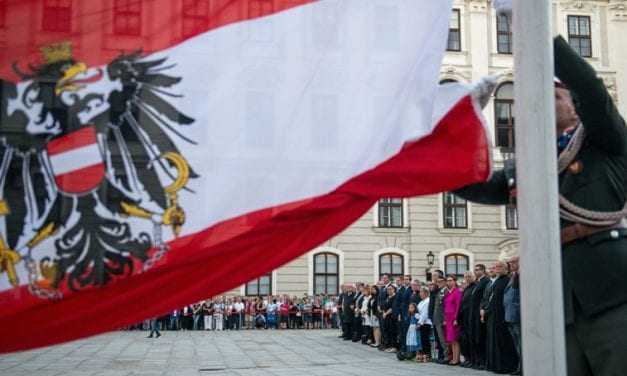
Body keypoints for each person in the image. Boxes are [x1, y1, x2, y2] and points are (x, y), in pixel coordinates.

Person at [484, 261, 518, 374]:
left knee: (503, 343)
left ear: (505, 268)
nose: (497, 268)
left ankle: (505, 366)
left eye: (499, 267)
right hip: (493, 315)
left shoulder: (507, 279)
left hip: (502, 316)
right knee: (495, 342)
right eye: (495, 267)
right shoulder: (497, 281)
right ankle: (495, 365)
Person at [503, 251, 521, 375]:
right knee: (516, 344)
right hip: (510, 314)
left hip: (517, 314)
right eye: (510, 263)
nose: (511, 265)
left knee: (521, 343)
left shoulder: (522, 275)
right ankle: (520, 367)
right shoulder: (513, 275)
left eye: (513, 262)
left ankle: (522, 368)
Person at [469, 264, 489, 370]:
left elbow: (484, 298)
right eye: (475, 270)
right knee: (475, 338)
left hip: (480, 313)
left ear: (483, 270)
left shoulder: (485, 281)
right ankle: (476, 361)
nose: (476, 272)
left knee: (480, 338)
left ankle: (482, 362)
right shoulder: (477, 282)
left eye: (478, 270)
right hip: (473, 314)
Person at [458, 271, 476, 368]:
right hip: (464, 318)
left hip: (471, 317)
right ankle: (467, 358)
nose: (467, 278)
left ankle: (472, 359)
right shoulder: (466, 288)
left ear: (473, 277)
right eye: (466, 277)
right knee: (464, 340)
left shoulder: (475, 287)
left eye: (469, 276)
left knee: (470, 339)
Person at [443, 275, 462, 365]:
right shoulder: (448, 293)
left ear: (455, 281)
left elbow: (458, 306)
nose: (449, 282)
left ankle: (456, 359)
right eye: (447, 280)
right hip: (448, 318)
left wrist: (456, 318)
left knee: (455, 340)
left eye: (450, 280)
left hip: (453, 318)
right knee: (451, 340)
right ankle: (453, 357)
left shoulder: (457, 292)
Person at [432, 276, 448, 363]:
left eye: (440, 281)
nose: (438, 283)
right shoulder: (439, 292)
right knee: (441, 340)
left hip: (442, 319)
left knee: (444, 339)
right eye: (437, 282)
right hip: (437, 319)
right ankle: (444, 356)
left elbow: (446, 307)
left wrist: (444, 319)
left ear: (445, 282)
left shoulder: (446, 291)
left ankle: (447, 357)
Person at [417, 286, 432, 363]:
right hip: (421, 321)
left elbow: (425, 314)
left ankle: (427, 354)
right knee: (422, 340)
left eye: (421, 292)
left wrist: (420, 323)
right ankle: (423, 353)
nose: (420, 294)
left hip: (426, 323)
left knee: (425, 339)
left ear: (426, 293)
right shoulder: (421, 301)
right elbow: (418, 312)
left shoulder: (427, 301)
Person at [381, 284, 398, 352]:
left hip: (391, 317)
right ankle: (388, 345)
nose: (389, 290)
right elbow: (384, 306)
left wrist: (386, 313)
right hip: (385, 317)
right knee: (386, 331)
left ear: (394, 290)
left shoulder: (395, 297)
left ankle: (394, 346)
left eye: (390, 289)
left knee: (392, 332)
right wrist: (383, 312)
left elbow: (392, 307)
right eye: (388, 289)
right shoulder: (387, 297)